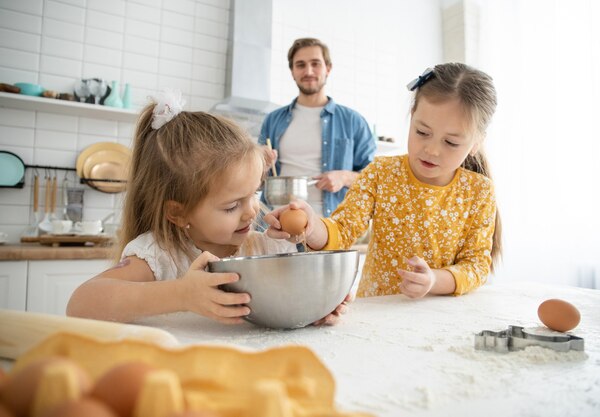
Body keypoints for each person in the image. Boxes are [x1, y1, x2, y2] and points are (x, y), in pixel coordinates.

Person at [66, 90, 306, 324]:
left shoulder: (263, 247)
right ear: (178, 213)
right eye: (232, 206)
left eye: (254, 194)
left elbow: (302, 294)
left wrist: (321, 308)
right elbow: (81, 303)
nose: (252, 211)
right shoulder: (161, 256)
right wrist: (183, 294)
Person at [266, 63, 502, 299]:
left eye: (450, 142)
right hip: (378, 312)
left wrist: (433, 281)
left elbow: (476, 265)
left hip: (440, 317)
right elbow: (343, 229)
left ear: (476, 142)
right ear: (412, 117)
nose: (432, 150)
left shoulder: (479, 191)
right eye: (422, 132)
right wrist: (311, 226)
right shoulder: (381, 172)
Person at [259, 37, 376, 216]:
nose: (308, 71)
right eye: (300, 65)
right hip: (277, 221)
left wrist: (344, 177)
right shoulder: (273, 120)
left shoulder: (353, 121)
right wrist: (260, 163)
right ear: (292, 71)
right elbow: (257, 179)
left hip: (330, 225)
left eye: (315, 63)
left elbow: (373, 177)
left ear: (328, 68)